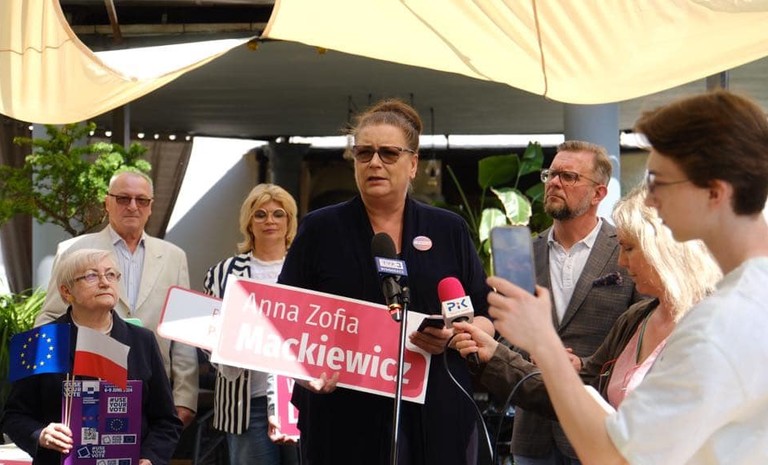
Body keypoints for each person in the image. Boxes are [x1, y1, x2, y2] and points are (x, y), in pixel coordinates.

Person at [488, 89, 768, 464]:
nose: (649, 199)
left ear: (714, 192)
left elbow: (615, 456)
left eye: (659, 181)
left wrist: (543, 342)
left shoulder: (720, 324)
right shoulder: (744, 301)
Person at [278, 98, 495, 465]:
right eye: (364, 153)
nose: (374, 163)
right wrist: (302, 370)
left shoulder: (448, 229)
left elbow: (485, 316)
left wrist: (455, 336)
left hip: (436, 410)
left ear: (413, 164)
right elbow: (282, 318)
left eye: (389, 153)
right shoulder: (319, 229)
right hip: (343, 415)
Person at [453, 187, 720, 415]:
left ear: (666, 247)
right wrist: (495, 354)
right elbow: (576, 392)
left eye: (629, 248)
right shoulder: (636, 320)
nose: (621, 261)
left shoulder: (716, 323)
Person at [505, 140, 642, 465]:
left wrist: (585, 362)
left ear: (598, 194)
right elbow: (505, 332)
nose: (554, 183)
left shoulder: (625, 250)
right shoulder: (523, 254)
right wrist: (536, 353)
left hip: (599, 429)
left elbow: (641, 336)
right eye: (551, 174)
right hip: (533, 433)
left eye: (568, 176)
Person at [35, 170, 198, 428]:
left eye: (141, 200)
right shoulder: (74, 250)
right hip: (84, 389)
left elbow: (182, 332)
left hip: (150, 391)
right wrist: (47, 385)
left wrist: (185, 398)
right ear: (107, 203)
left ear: (151, 207)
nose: (133, 206)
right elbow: (50, 317)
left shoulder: (174, 257)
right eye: (123, 198)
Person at [1, 249, 183, 465]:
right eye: (91, 275)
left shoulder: (142, 341)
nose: (105, 282)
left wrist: (150, 458)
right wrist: (40, 435)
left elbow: (166, 421)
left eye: (111, 274)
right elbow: (14, 416)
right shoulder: (41, 342)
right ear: (66, 292)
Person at [202, 183, 299, 465]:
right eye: (260, 214)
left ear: (289, 222)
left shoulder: (305, 269)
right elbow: (206, 334)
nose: (270, 221)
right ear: (249, 222)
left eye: (278, 214)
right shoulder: (223, 273)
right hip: (245, 402)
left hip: (299, 400)